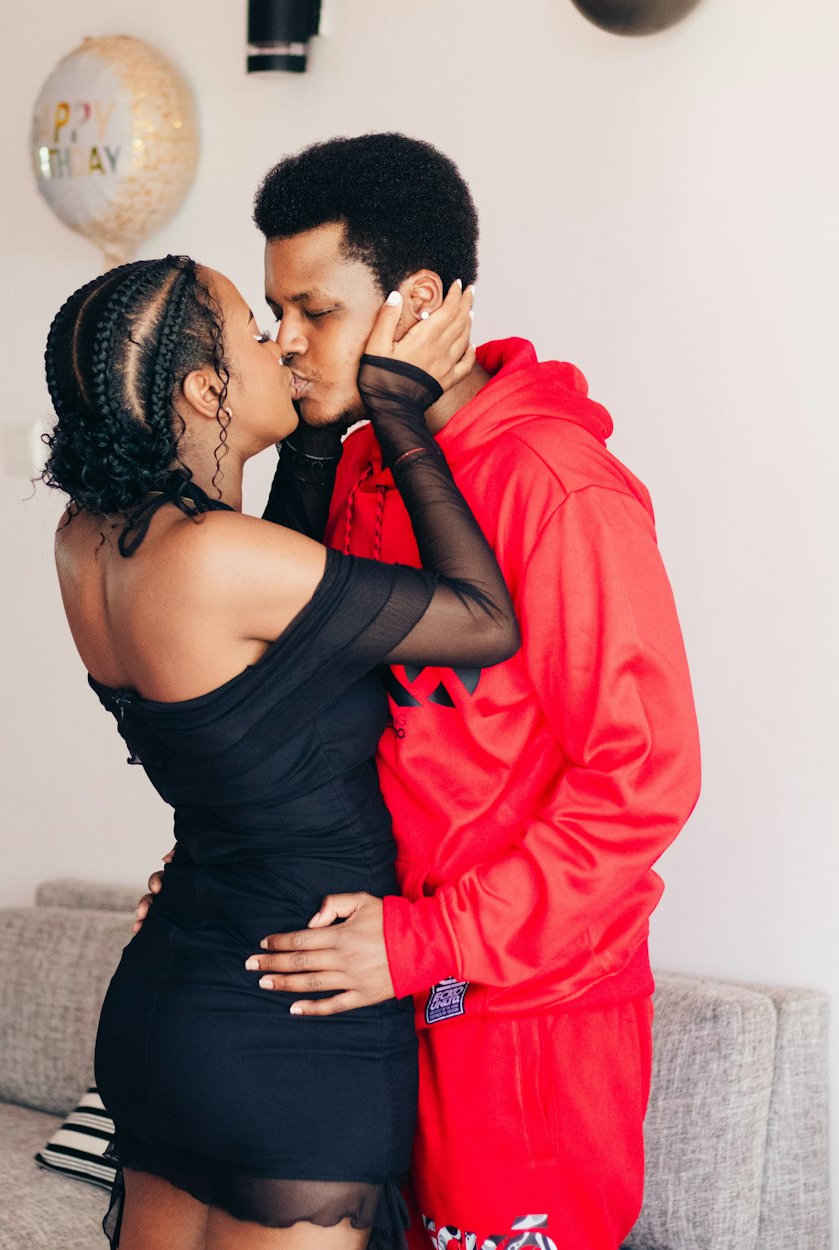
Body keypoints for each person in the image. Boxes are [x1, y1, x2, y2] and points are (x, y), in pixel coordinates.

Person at [139, 134, 702, 1250]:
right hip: (377, 1000)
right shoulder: (359, 465)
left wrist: (425, 943)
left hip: (520, 1017)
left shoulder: (558, 489)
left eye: (315, 310)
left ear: (420, 300)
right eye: (272, 312)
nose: (287, 344)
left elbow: (642, 783)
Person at [42, 254, 519, 1250]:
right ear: (206, 389)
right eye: (257, 334)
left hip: (172, 995)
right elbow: (481, 618)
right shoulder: (216, 562)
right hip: (294, 1006)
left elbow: (271, 640)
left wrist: (309, 444)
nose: (286, 346)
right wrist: (394, 408)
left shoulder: (90, 541)